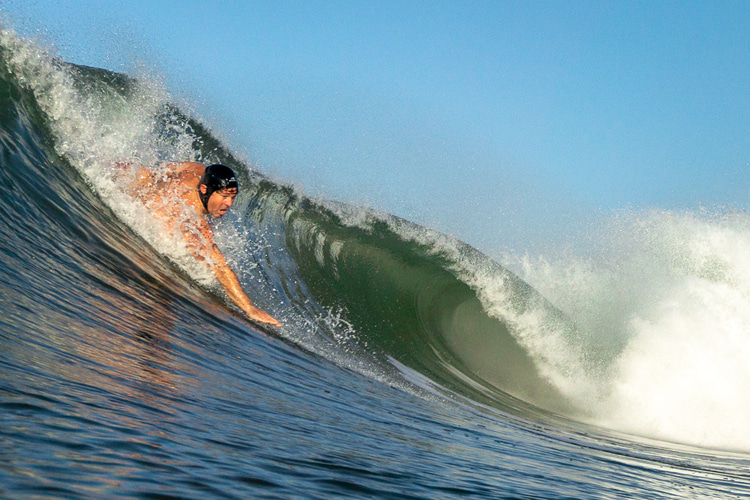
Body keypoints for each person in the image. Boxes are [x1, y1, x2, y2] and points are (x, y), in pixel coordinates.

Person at [123, 161, 281, 327]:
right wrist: (250, 308)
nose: (229, 203)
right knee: (164, 310)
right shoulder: (193, 223)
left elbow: (167, 169)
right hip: (141, 247)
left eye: (233, 197)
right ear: (205, 190)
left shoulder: (197, 171)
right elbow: (220, 267)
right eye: (224, 197)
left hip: (136, 188)